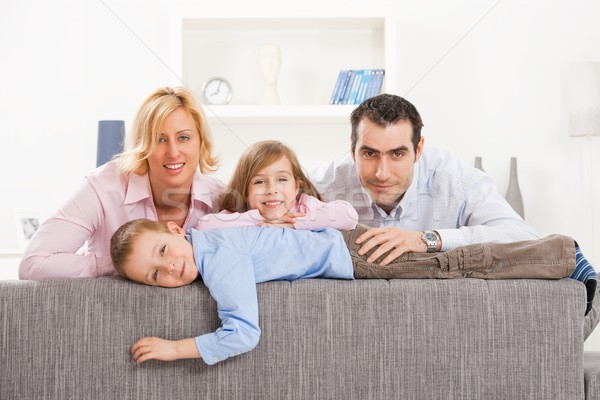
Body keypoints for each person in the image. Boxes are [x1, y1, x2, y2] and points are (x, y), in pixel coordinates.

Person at [110, 218, 582, 366]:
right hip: (346, 249)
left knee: (451, 266)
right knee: (447, 267)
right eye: (155, 275)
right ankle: (552, 253)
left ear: (176, 229)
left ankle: (558, 254)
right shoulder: (212, 239)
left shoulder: (218, 258)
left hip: (354, 256)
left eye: (164, 249)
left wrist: (175, 349)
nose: (171, 267)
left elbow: (243, 333)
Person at [309, 93, 596, 313]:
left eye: (397, 154)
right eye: (369, 154)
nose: (382, 172)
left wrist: (428, 239)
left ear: (418, 149)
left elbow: (523, 236)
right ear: (352, 148)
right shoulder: (325, 183)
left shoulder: (454, 179)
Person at [19, 86, 225, 279]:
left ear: (201, 142)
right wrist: (117, 265)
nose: (172, 152)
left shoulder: (220, 199)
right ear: (143, 147)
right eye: (159, 140)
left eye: (183, 138)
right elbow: (32, 264)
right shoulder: (104, 187)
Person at [197, 140, 357, 231]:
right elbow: (204, 226)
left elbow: (349, 215)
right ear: (245, 192)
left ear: (296, 187)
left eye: (281, 179)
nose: (272, 190)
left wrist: (294, 224)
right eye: (259, 182)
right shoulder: (243, 214)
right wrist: (258, 220)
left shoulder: (304, 208)